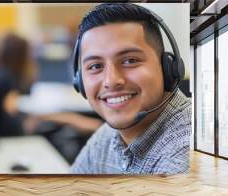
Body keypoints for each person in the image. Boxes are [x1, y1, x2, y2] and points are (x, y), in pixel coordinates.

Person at [70, 3, 191, 174]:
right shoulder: (106, 137)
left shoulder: (183, 153)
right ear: (79, 82)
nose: (111, 81)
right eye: (96, 66)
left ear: (167, 68)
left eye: (130, 61)